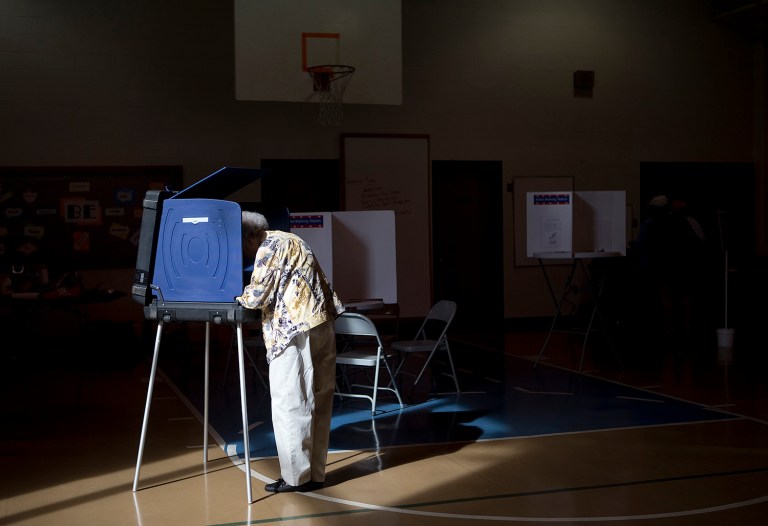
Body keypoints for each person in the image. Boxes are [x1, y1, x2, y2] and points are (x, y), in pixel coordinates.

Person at [236, 211, 345, 493]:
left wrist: (234, 296)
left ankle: (297, 477)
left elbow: (256, 296)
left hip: (294, 330)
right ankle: (315, 474)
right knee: (319, 399)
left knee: (290, 402)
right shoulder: (291, 238)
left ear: (249, 237)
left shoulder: (268, 246)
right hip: (322, 323)